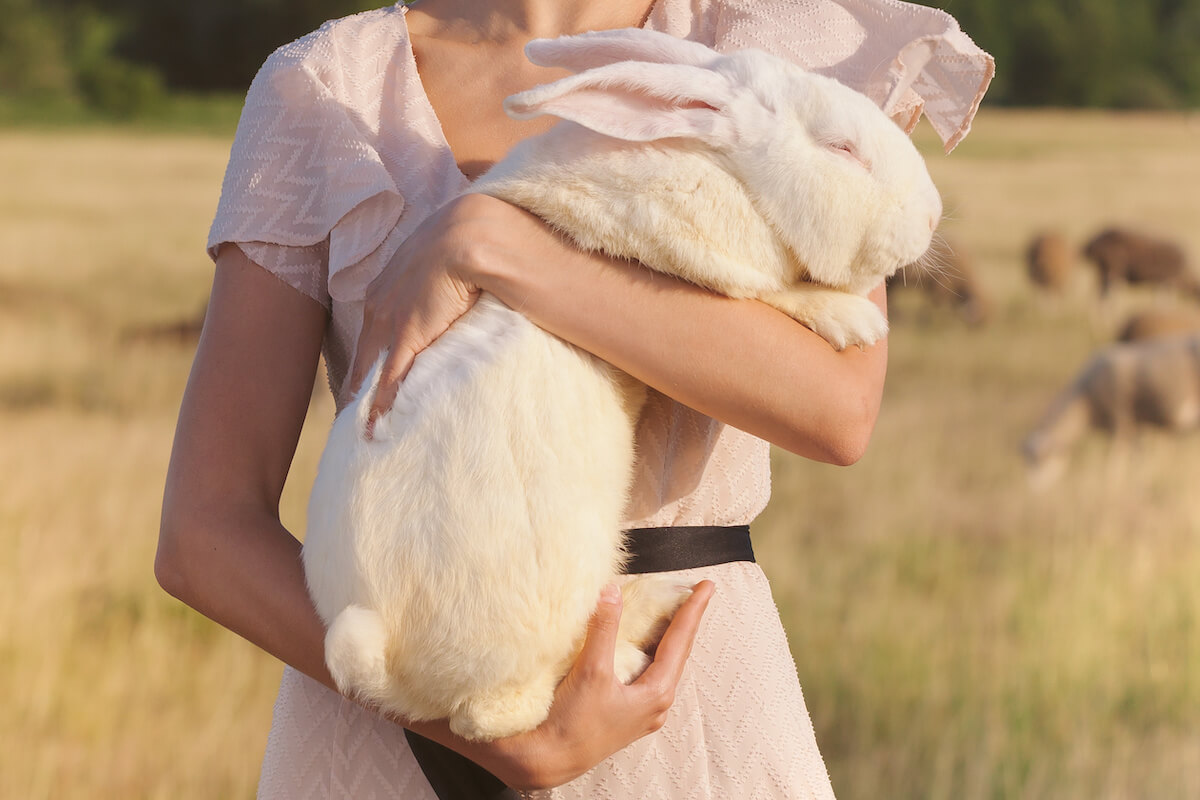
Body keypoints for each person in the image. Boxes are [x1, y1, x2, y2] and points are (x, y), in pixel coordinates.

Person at [156, 0, 993, 796]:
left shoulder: (776, 47)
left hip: (680, 713)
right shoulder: (327, 88)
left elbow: (839, 409)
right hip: (387, 730)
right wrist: (486, 731)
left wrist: (486, 244)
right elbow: (204, 529)